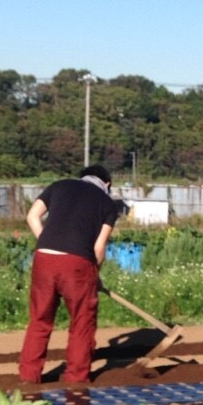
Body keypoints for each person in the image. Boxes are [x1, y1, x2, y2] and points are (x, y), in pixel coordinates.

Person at [18, 164, 123, 384]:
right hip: (77, 262)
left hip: (43, 257)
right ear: (107, 184)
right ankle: (76, 378)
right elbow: (99, 247)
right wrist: (95, 273)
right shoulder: (108, 204)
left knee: (40, 318)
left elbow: (32, 217)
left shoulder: (59, 186)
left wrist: (47, 242)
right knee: (82, 321)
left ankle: (29, 376)